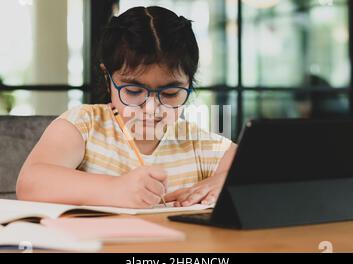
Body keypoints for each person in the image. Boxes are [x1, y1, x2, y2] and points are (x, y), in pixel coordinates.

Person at [16, 6, 237, 209]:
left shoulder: (196, 142)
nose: (152, 108)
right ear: (107, 78)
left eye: (170, 94)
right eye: (133, 92)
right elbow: (31, 182)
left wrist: (222, 181)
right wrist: (113, 189)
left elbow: (258, 168)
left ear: (189, 85)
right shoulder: (84, 125)